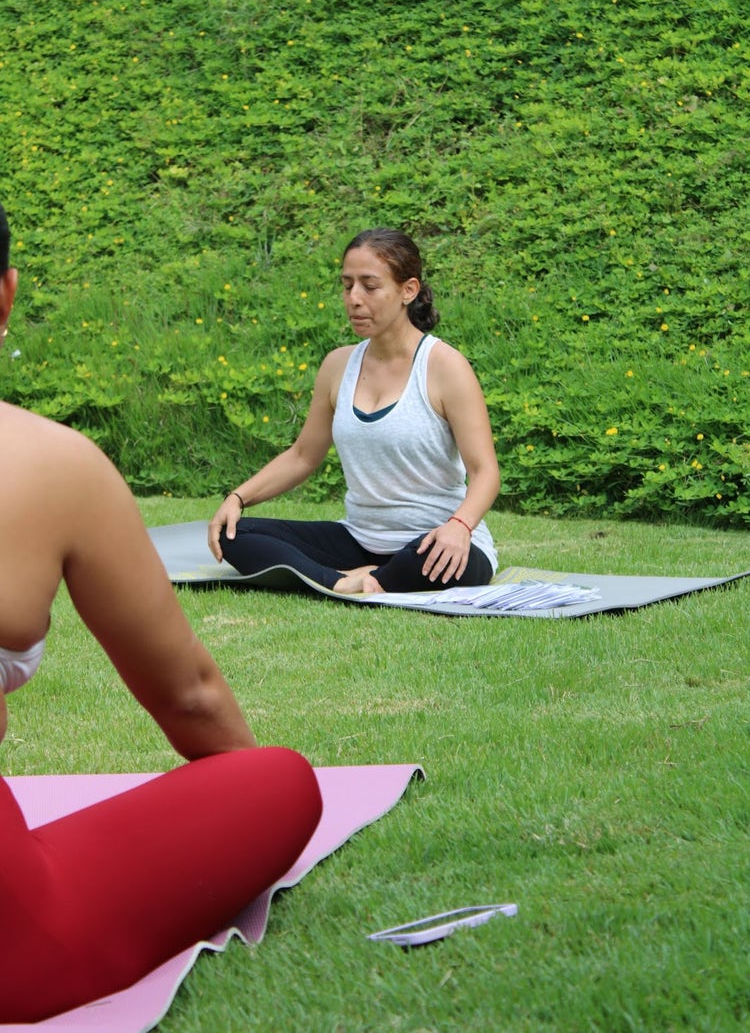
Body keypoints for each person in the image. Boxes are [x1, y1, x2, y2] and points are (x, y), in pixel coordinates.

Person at [0, 203, 322, 1024]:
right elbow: (190, 696)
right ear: (6, 295)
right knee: (279, 782)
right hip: (14, 941)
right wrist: (241, 797)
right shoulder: (50, 463)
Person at [209, 228, 500, 595]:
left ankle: (357, 578)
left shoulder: (444, 366)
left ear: (408, 290)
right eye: (347, 286)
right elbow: (302, 456)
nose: (354, 299)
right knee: (234, 533)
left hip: (433, 539)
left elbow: (485, 471)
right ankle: (351, 581)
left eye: (369, 286)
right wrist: (237, 498)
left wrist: (460, 526)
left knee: (437, 560)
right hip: (360, 539)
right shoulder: (338, 365)